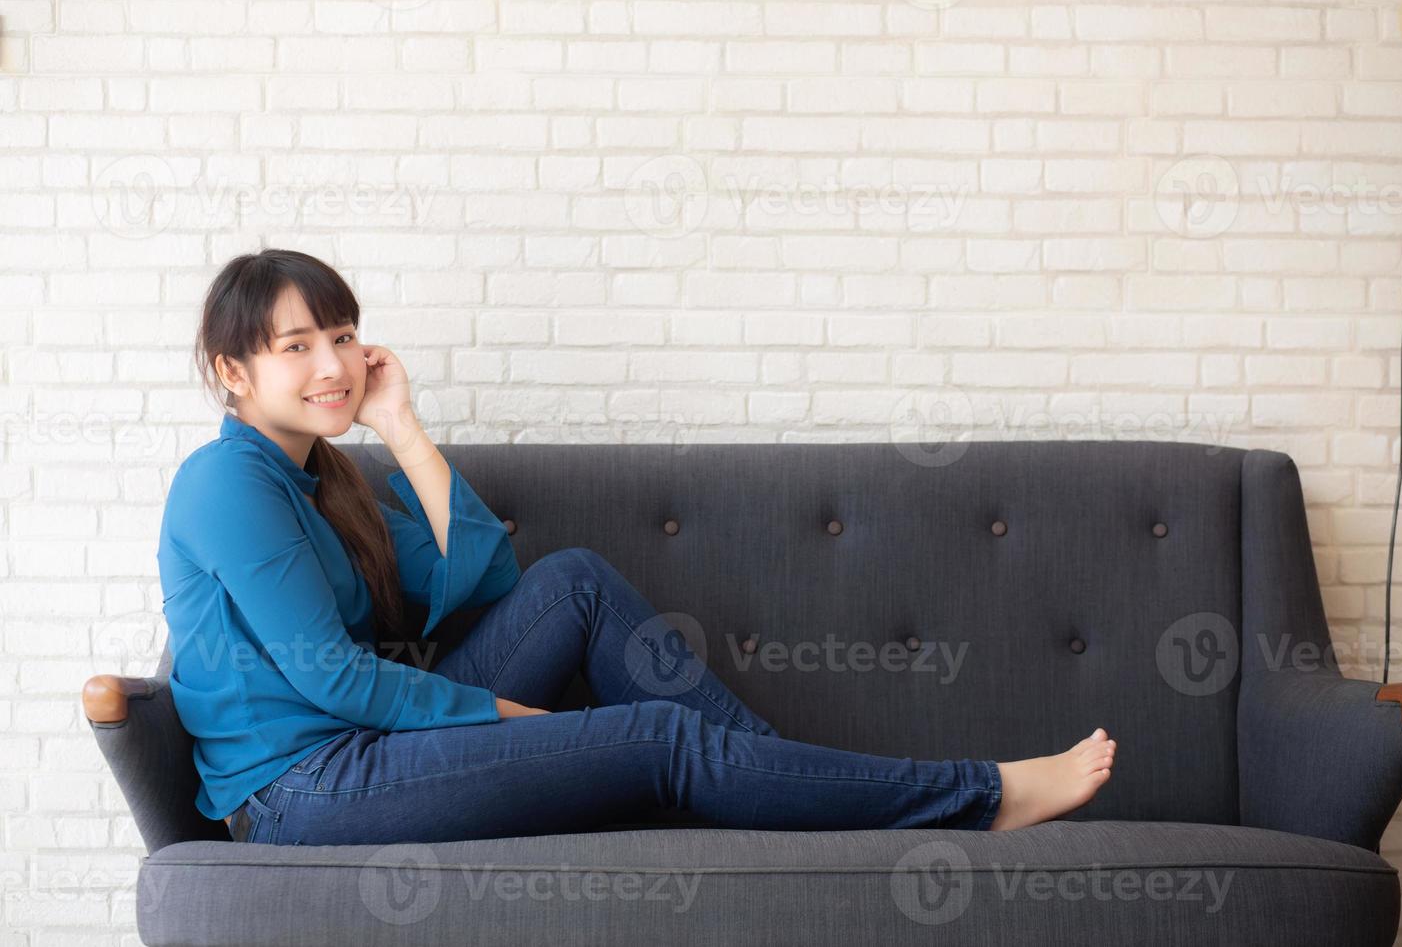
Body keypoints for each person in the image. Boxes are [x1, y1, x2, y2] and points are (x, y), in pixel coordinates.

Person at [157, 248, 1118, 847]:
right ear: (231, 369)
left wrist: (401, 426)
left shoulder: (329, 479)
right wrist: (496, 712)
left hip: (356, 746)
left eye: (343, 335)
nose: (332, 365)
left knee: (570, 582)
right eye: (296, 347)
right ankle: (973, 797)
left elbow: (491, 579)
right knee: (659, 737)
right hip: (303, 790)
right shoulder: (227, 482)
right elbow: (333, 680)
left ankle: (790, 788)